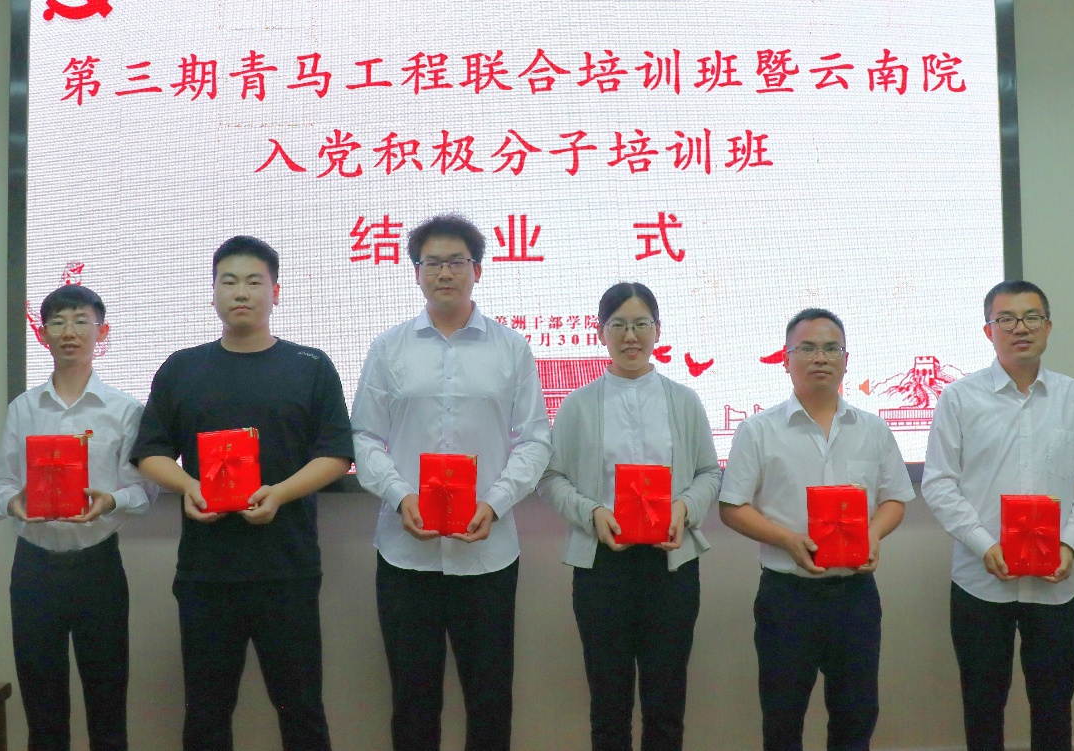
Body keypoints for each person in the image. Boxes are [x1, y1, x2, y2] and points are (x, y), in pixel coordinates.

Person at [130, 236, 353, 751]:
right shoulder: (182, 368)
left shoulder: (310, 365)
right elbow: (150, 452)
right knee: (206, 714)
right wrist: (188, 485)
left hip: (287, 569)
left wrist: (280, 493)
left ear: (276, 292)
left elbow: (338, 454)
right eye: (228, 281)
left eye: (254, 281)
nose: (241, 292)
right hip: (207, 573)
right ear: (212, 293)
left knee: (302, 710)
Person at [351, 214, 552, 751]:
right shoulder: (389, 348)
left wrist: (496, 502)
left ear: (477, 270)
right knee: (413, 701)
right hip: (405, 553)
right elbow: (364, 437)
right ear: (416, 272)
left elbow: (535, 439)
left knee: (489, 699)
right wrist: (400, 497)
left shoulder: (511, 348)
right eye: (433, 263)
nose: (445, 273)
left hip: (487, 553)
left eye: (457, 262)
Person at [922, 279, 1074, 751]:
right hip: (980, 580)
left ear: (1048, 326)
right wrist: (983, 544)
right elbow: (939, 483)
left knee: (1054, 705)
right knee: (982, 705)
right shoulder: (958, 399)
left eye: (1031, 317)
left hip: (1056, 582)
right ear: (988, 331)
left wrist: (1068, 545)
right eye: (1005, 319)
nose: (1019, 328)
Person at [719, 307, 914, 751]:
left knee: (856, 716)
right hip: (787, 597)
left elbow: (895, 499)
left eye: (831, 348)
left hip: (855, 595)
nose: (820, 357)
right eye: (806, 348)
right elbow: (732, 506)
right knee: (782, 718)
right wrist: (786, 540)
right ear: (785, 359)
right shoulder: (758, 430)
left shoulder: (873, 429)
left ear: (846, 360)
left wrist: (873, 534)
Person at [537, 282, 720, 751]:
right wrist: (591, 513)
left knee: (666, 706)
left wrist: (684, 508)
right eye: (618, 324)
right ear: (600, 332)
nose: (630, 335)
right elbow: (551, 478)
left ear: (658, 330)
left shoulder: (684, 400)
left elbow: (709, 473)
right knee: (608, 707)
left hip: (671, 566)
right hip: (603, 568)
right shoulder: (578, 404)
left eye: (641, 324)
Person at [0, 284, 158, 751]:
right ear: (43, 334)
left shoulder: (125, 410)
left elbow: (145, 492)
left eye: (82, 321)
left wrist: (111, 501)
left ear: (102, 332)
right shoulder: (23, 408)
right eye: (58, 322)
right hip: (34, 568)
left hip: (97, 566)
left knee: (108, 706)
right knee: (42, 710)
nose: (69, 331)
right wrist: (15, 503)